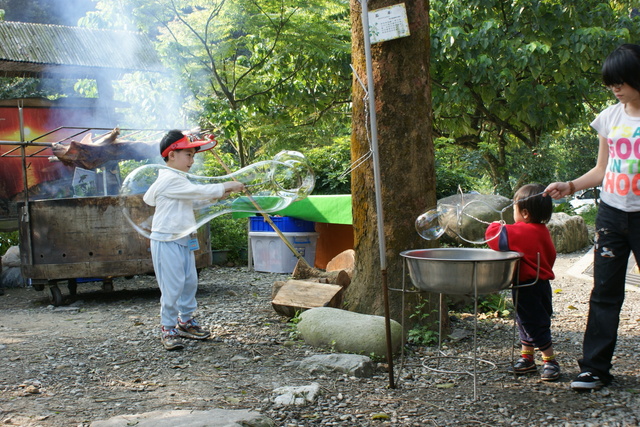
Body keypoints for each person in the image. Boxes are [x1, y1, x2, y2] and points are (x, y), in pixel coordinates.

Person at [545, 43, 640, 390]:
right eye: (610, 82)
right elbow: (602, 169)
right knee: (604, 292)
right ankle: (594, 369)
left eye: (622, 81)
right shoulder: (609, 118)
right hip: (612, 215)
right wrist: (569, 185)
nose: (615, 88)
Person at [144, 129, 245, 350]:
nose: (192, 160)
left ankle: (185, 321)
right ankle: (167, 327)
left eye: (193, 155)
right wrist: (229, 185)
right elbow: (199, 191)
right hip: (166, 240)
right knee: (172, 286)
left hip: (182, 238)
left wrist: (218, 196)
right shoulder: (169, 179)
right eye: (188, 155)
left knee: (189, 282)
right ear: (172, 155)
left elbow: (194, 201)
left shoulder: (180, 180)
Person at [485, 183, 558, 381]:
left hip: (527, 287)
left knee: (533, 324)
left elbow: (494, 238)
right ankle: (527, 359)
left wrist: (493, 224)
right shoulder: (542, 231)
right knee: (526, 322)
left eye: (515, 209)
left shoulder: (523, 231)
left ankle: (550, 361)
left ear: (524, 213)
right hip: (542, 285)